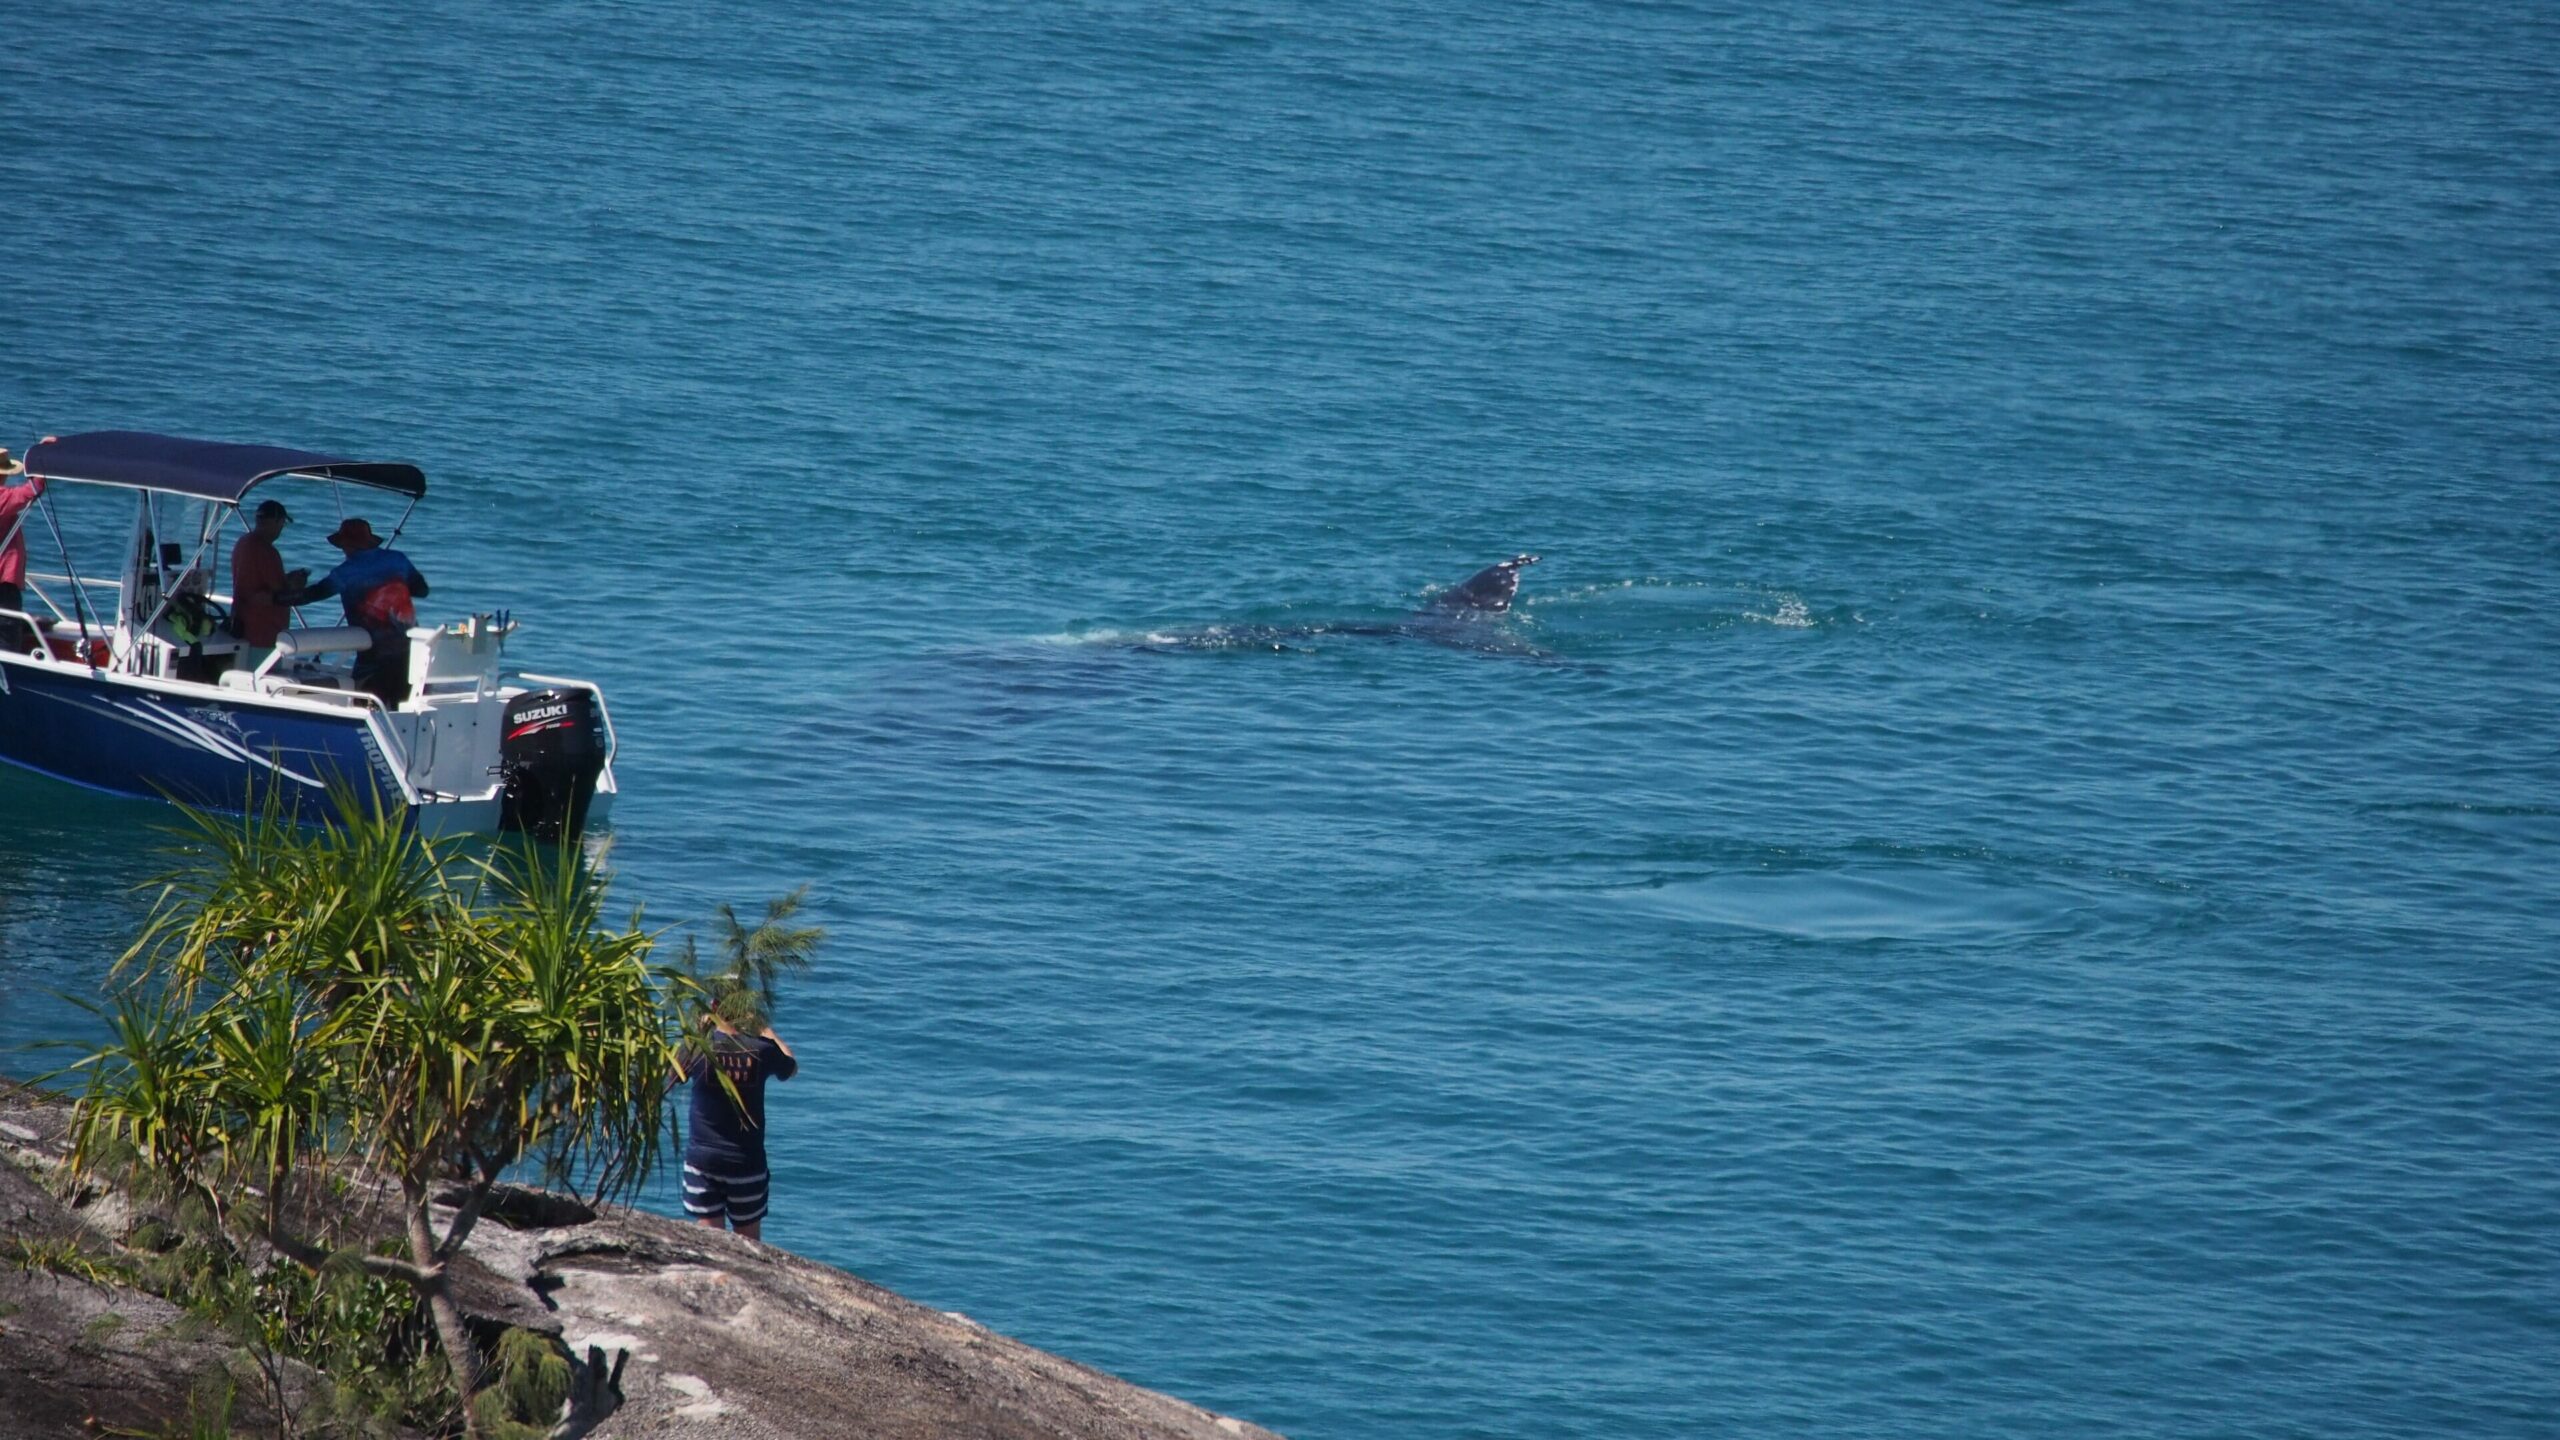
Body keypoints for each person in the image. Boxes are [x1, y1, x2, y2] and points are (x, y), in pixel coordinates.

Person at [678, 1002, 798, 1242]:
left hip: (703, 1160)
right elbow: (791, 1067)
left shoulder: (697, 1047)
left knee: (712, 1245)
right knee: (749, 1246)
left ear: (713, 1006)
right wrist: (765, 1030)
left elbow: (675, 1073)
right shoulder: (762, 1049)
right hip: (746, 1162)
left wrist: (700, 1031)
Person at [278, 516, 428, 705]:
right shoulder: (398, 559)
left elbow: (313, 595)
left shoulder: (345, 572)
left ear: (346, 545)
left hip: (374, 658)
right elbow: (422, 590)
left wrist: (278, 598)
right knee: (403, 708)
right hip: (410, 652)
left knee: (365, 706)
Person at [227, 498, 298, 671]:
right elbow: (279, 591)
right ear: (276, 521)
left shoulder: (243, 543)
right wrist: (296, 582)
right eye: (281, 523)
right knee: (263, 679)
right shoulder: (267, 551)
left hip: (242, 624)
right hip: (265, 631)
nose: (281, 528)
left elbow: (255, 580)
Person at [0, 447, 46, 655]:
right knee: (8, 627)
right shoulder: (2, 498)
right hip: (3, 578)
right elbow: (33, 490)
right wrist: (44, 457)